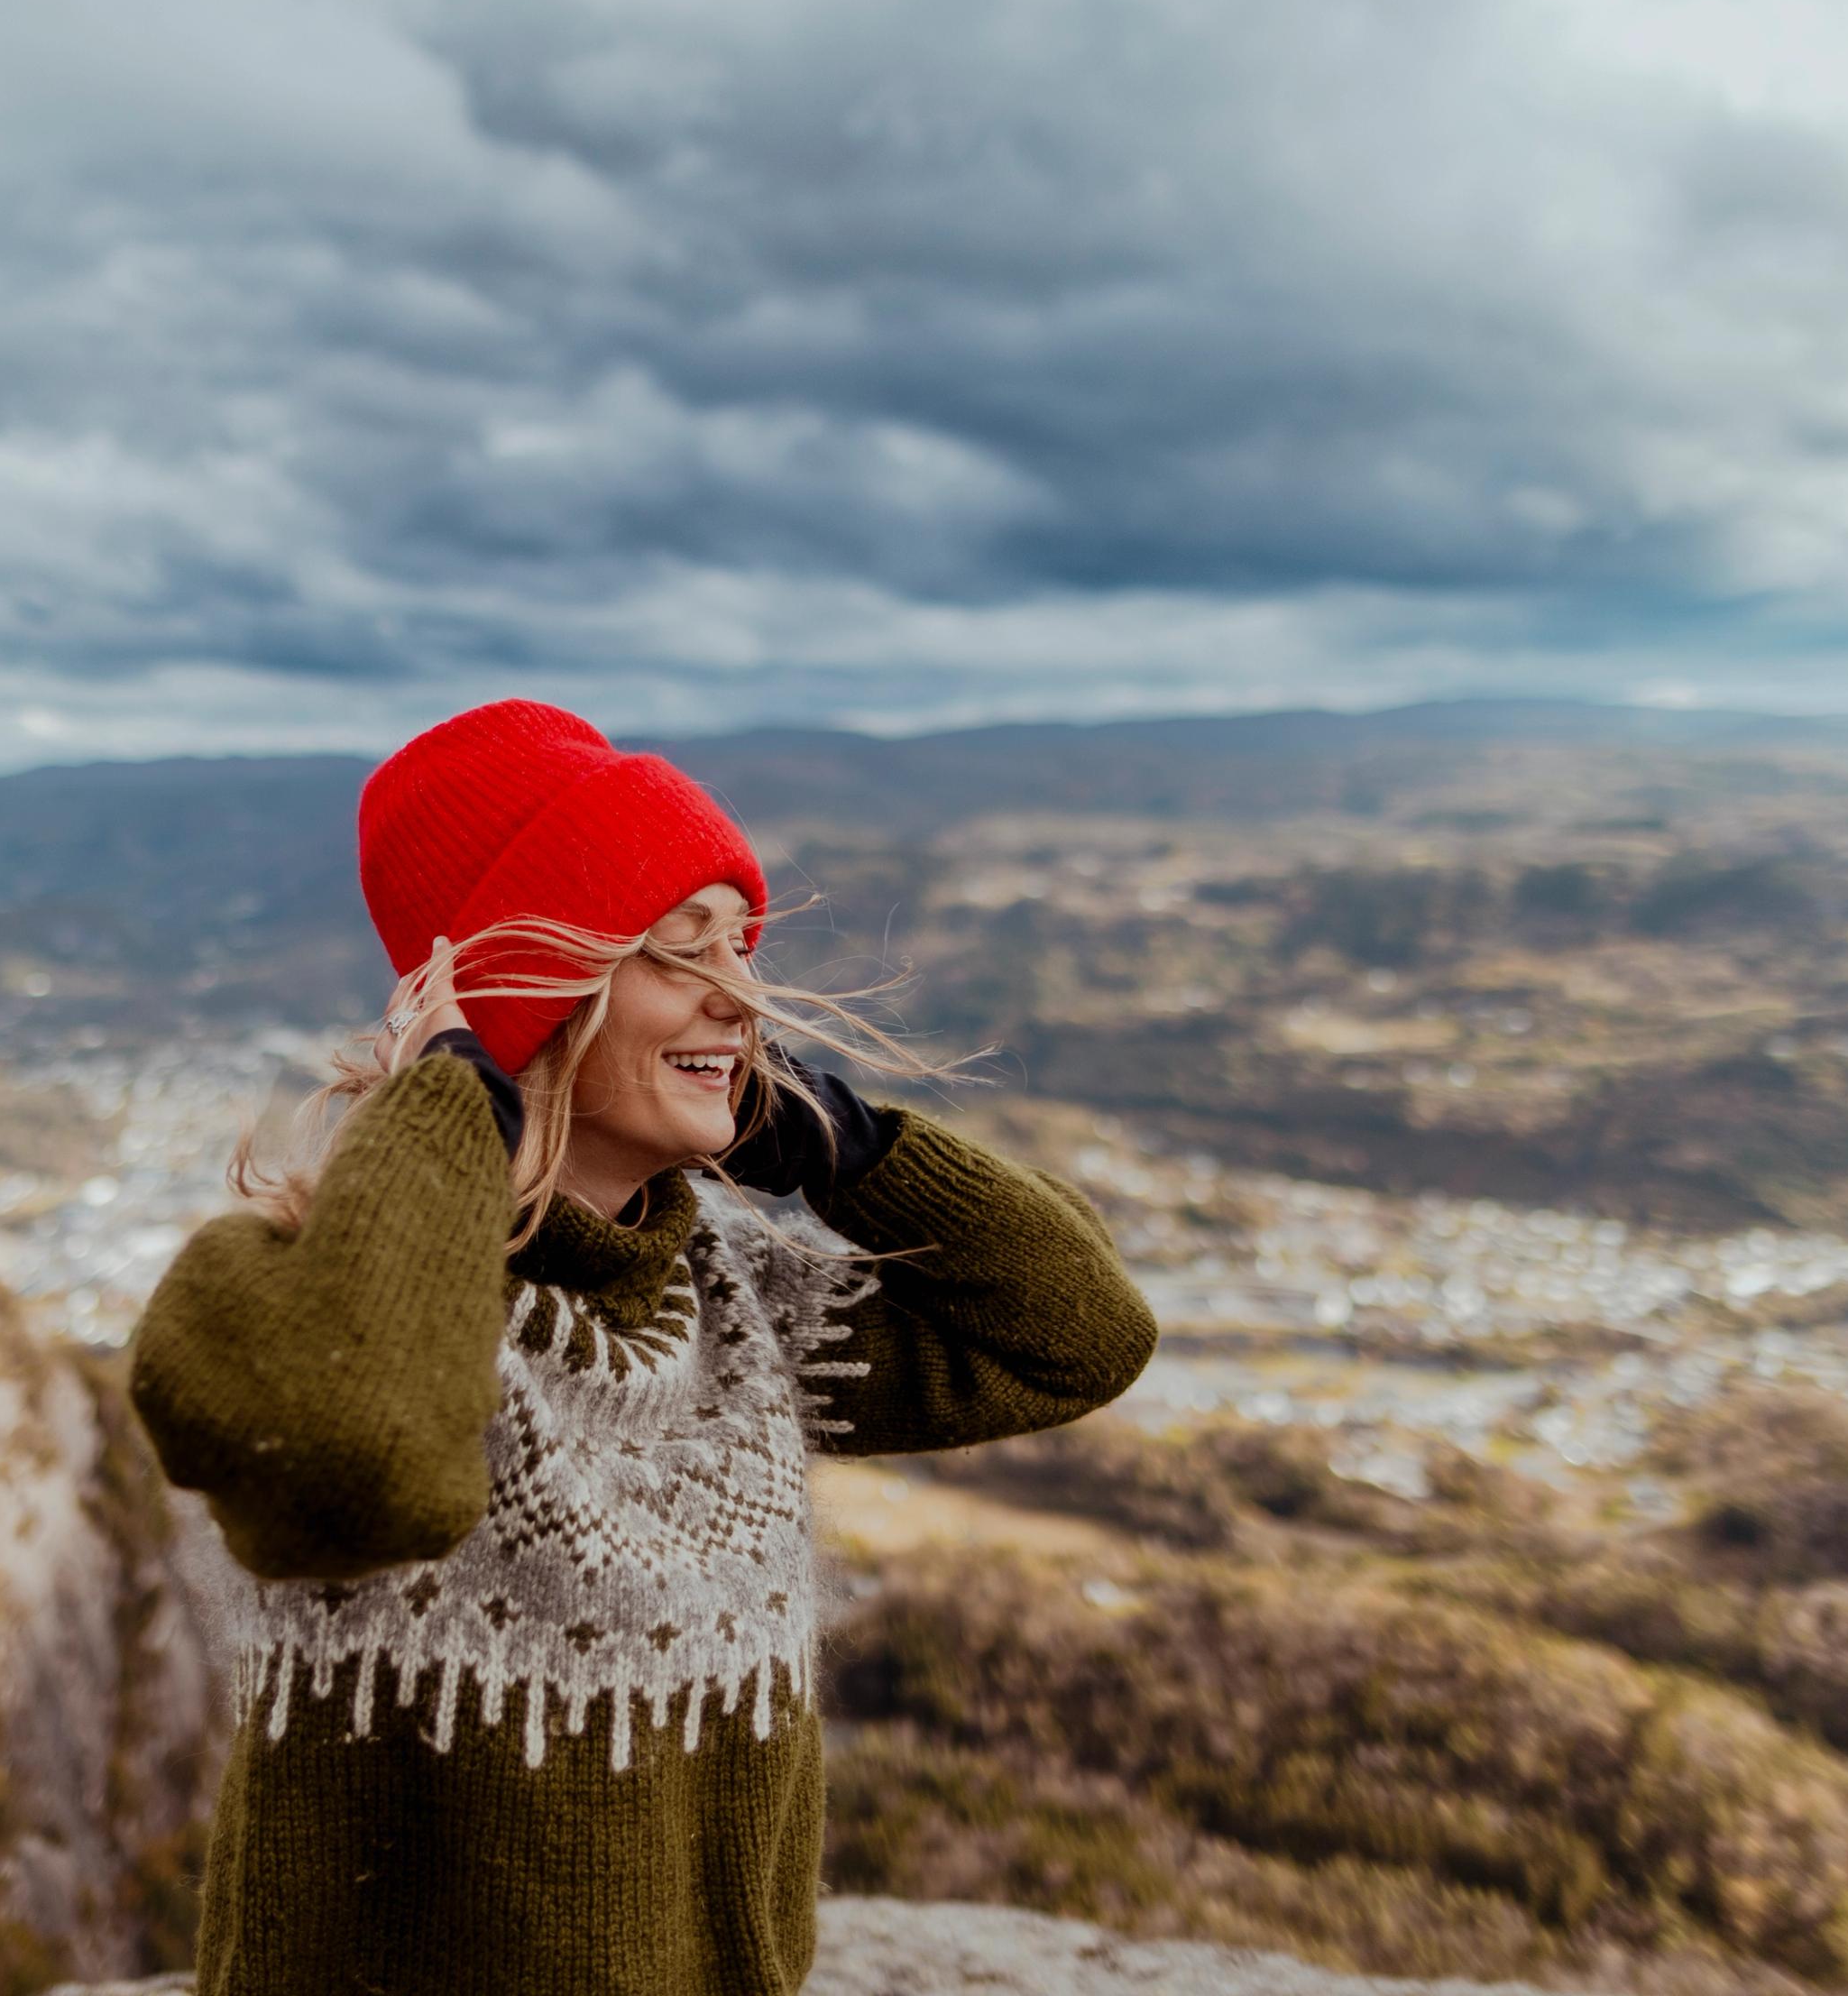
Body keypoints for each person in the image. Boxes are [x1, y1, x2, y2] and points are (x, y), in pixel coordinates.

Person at [129, 698, 1159, 1996]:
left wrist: (840, 1147)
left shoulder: (731, 1308)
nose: (743, 1000)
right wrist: (452, 1098)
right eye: (682, 955)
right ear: (526, 998)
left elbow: (1079, 1336)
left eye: (743, 952)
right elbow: (367, 1461)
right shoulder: (282, 1287)